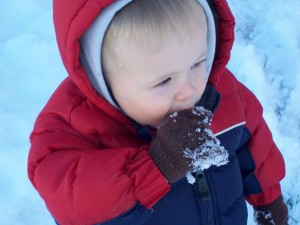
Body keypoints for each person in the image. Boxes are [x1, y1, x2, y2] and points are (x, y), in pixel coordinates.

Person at [27, 0, 289, 224]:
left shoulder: (220, 92)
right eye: (164, 81)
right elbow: (76, 206)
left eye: (198, 62)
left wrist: (269, 200)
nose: (190, 90)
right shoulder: (70, 131)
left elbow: (254, 145)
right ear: (102, 79)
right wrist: (156, 166)